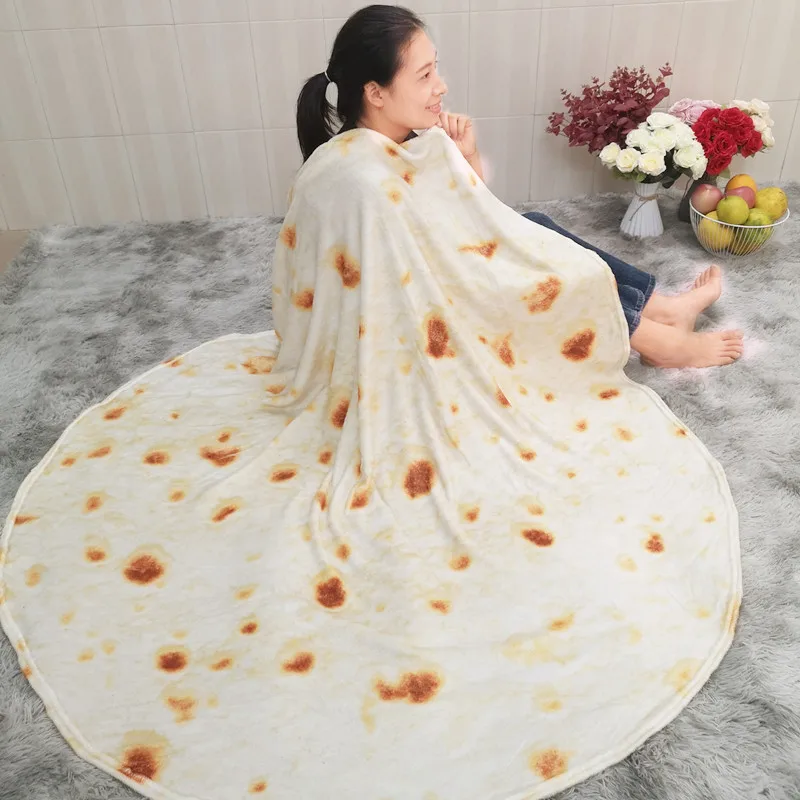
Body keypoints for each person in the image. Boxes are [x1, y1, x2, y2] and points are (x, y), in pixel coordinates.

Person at [296, 4, 745, 369]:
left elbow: (464, 215)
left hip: (444, 275)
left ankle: (661, 309)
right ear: (375, 93)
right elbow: (403, 283)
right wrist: (505, 260)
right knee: (545, 274)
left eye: (436, 70)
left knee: (535, 225)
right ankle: (661, 344)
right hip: (415, 319)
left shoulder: (407, 142)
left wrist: (466, 157)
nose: (441, 86)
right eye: (425, 75)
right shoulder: (358, 176)